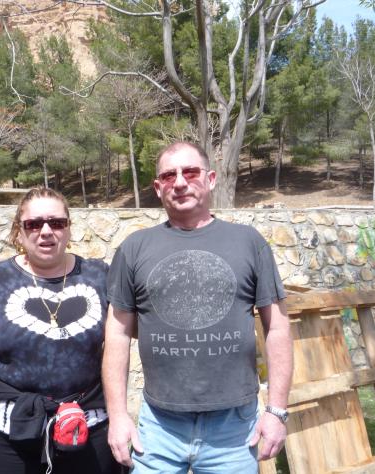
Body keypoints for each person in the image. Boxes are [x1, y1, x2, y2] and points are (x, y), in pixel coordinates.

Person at [102, 142, 293, 473]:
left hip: (234, 429)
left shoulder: (249, 243)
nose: (179, 182)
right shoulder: (134, 248)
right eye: (169, 175)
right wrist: (118, 416)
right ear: (158, 187)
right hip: (158, 427)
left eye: (190, 172)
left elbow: (277, 328)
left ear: (211, 179)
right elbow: (117, 333)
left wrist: (276, 411)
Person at [0, 187, 121, 474]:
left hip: (86, 425)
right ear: (19, 231)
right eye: (34, 224)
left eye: (57, 222)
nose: (46, 231)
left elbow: (121, 339)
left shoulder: (100, 276)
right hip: (2, 429)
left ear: (68, 228)